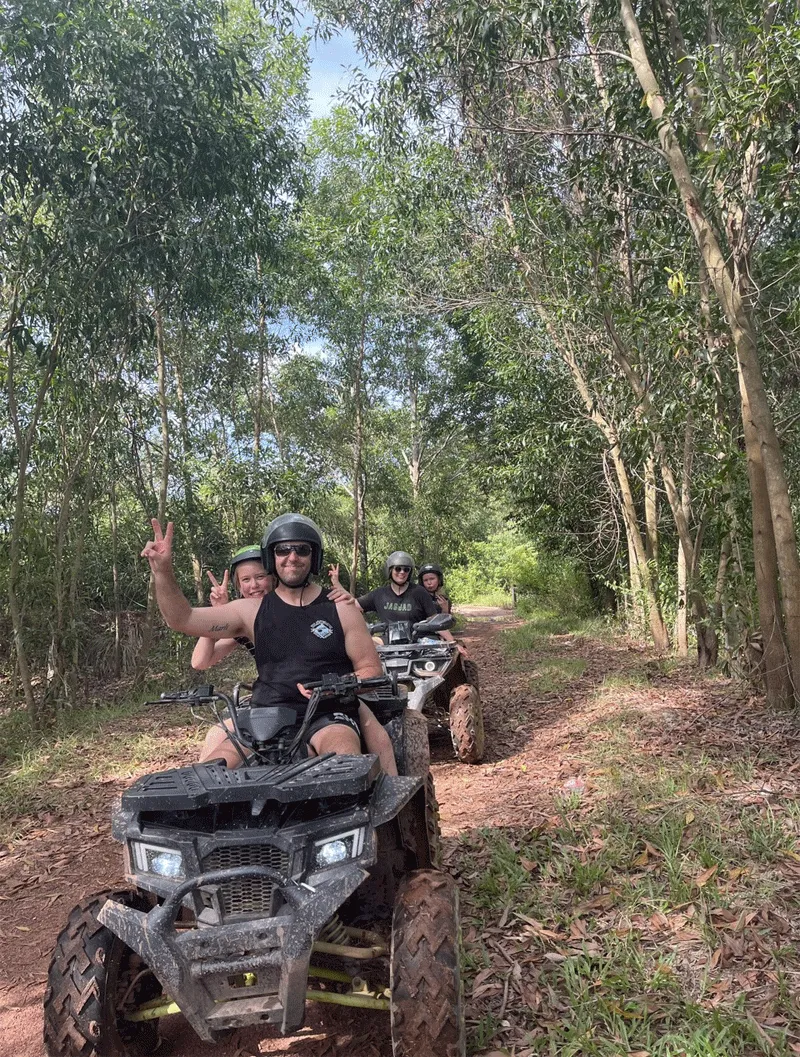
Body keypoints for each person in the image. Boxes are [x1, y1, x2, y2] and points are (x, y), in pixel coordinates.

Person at [141, 514, 397, 775]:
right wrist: (163, 572)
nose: (292, 556)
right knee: (206, 777)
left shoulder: (341, 609)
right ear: (271, 557)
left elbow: (370, 670)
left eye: (302, 549)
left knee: (346, 763)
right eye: (283, 549)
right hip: (264, 717)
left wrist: (338, 686)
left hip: (329, 714)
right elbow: (182, 619)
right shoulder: (250, 610)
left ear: (314, 557)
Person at [191, 546, 275, 670]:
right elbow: (199, 662)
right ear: (239, 587)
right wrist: (217, 612)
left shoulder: (291, 606)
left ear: (273, 578)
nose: (254, 585)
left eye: (260, 577)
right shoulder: (243, 620)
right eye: (246, 579)